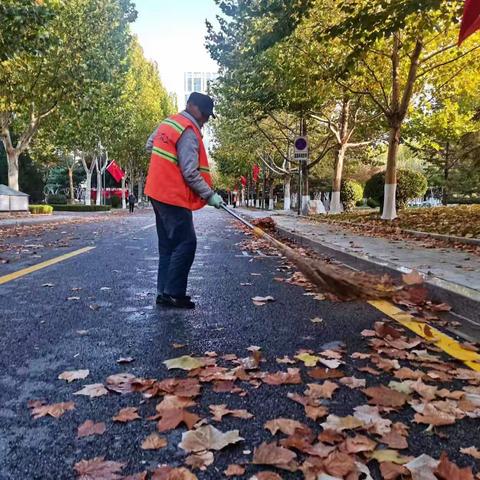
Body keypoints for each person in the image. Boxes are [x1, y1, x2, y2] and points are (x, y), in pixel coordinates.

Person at [144, 92, 223, 309]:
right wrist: (210, 195)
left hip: (156, 191)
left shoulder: (169, 123)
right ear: (191, 106)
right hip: (172, 194)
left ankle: (164, 292)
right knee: (186, 242)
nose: (205, 119)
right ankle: (174, 293)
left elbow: (150, 145)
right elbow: (190, 172)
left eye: (208, 115)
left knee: (168, 245)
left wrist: (167, 163)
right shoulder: (188, 130)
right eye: (204, 114)